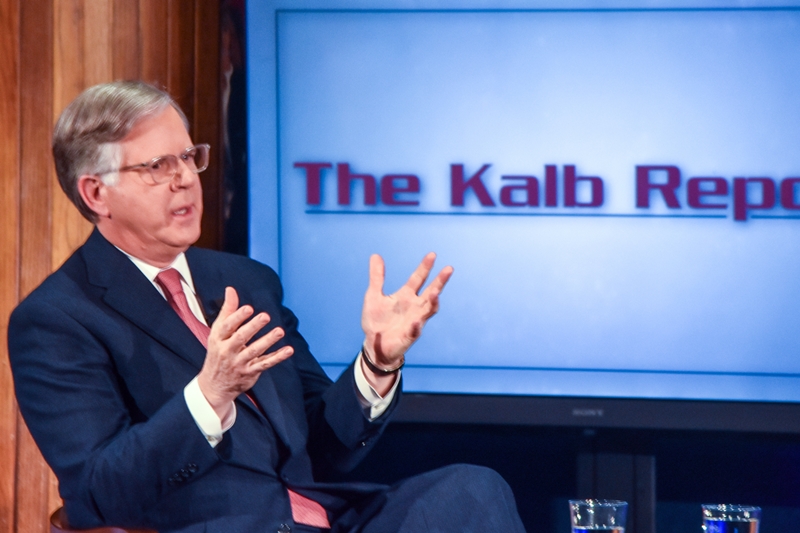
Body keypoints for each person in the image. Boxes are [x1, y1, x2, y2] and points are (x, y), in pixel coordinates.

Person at [8, 81, 526, 533]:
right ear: (96, 192)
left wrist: (376, 363)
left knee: (473, 489)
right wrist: (209, 396)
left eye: (189, 158)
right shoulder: (57, 319)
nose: (185, 178)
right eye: (157, 165)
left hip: (325, 518)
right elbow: (102, 492)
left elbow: (324, 446)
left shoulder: (244, 280)